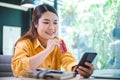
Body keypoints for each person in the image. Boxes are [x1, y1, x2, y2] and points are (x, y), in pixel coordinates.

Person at [11, 4, 94, 78]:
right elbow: (18, 70)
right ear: (36, 24)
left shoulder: (60, 42)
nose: (52, 27)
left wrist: (78, 69)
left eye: (55, 23)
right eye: (46, 22)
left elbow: (67, 59)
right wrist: (47, 50)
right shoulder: (23, 43)